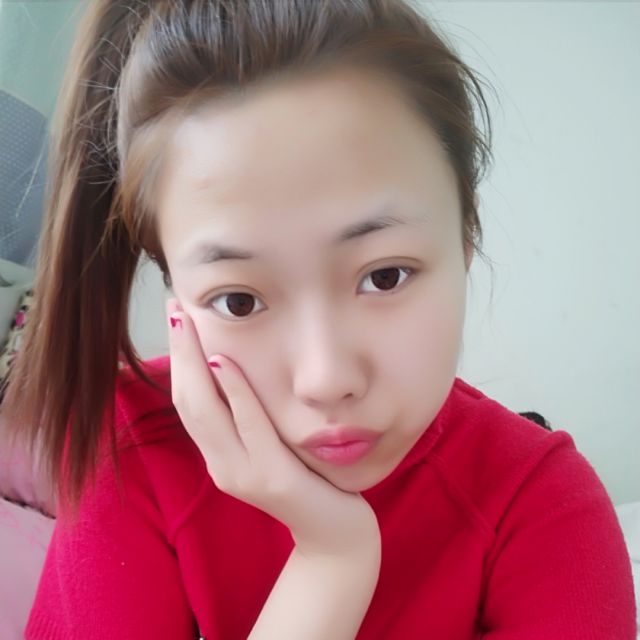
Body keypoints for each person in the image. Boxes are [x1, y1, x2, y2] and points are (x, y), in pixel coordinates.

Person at [1, 0, 636, 638]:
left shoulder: (542, 503)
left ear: (464, 241)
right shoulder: (131, 452)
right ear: (177, 298)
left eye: (385, 276)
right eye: (239, 301)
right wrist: (332, 560)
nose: (326, 379)